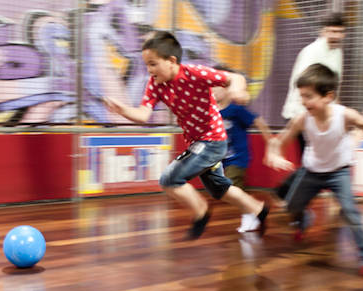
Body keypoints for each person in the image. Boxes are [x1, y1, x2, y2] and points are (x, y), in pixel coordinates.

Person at [103, 31, 269, 240]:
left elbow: (234, 78)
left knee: (170, 179)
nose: (149, 70)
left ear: (171, 61)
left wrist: (237, 91)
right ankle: (258, 209)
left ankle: (201, 210)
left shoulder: (194, 73)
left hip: (213, 140)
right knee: (220, 189)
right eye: (146, 65)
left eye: (153, 64)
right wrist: (123, 110)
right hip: (198, 142)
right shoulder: (155, 84)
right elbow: (144, 114)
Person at [266, 63, 363, 276]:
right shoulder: (302, 119)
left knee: (351, 212)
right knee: (291, 207)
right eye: (302, 96)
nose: (304, 102)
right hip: (311, 172)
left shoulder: (345, 115)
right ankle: (303, 219)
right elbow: (281, 139)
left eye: (309, 96)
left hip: (339, 172)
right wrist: (274, 154)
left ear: (328, 96)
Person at [276, 12, 346, 200]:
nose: (336, 36)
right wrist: (306, 113)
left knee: (313, 158)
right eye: (332, 31)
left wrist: (334, 109)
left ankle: (286, 192)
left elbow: (333, 85)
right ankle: (287, 193)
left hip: (319, 112)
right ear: (323, 31)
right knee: (310, 159)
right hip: (301, 111)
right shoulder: (312, 51)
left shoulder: (338, 52)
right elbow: (303, 86)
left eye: (339, 32)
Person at [212, 65, 273, 232]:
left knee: (232, 188)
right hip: (221, 159)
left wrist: (270, 141)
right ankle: (256, 207)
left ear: (227, 88)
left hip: (238, 158)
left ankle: (250, 215)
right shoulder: (211, 112)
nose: (213, 90)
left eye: (217, 85)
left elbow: (258, 120)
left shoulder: (236, 110)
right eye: (210, 85)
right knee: (227, 191)